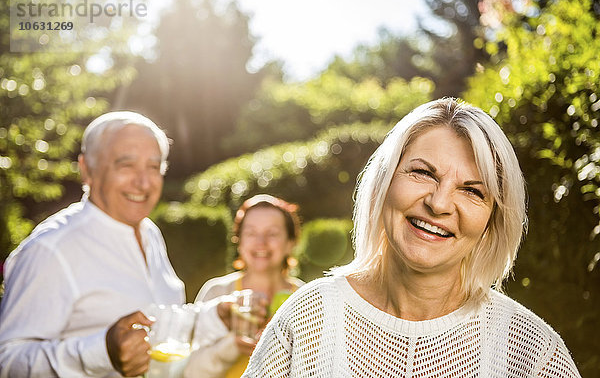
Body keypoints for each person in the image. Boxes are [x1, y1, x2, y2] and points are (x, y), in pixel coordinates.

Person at [242, 98, 582, 378]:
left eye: (472, 191)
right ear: (384, 182)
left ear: (492, 220)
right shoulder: (307, 318)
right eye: (422, 173)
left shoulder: (532, 353)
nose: (439, 203)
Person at [0, 112, 223, 377]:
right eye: (126, 165)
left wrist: (220, 317)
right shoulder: (50, 249)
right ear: (87, 170)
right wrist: (103, 352)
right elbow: (8, 361)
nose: (143, 182)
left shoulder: (149, 232)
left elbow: (161, 322)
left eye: (153, 167)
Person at [184, 194, 304, 378]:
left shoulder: (306, 298)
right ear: (239, 241)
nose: (260, 242)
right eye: (251, 233)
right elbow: (189, 372)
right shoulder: (216, 293)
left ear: (291, 242)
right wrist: (230, 347)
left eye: (272, 233)